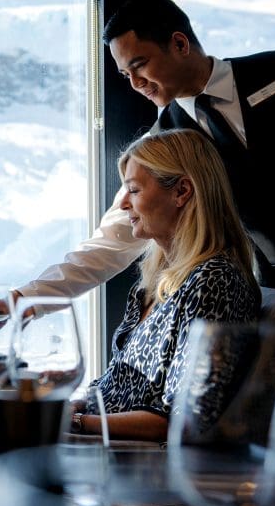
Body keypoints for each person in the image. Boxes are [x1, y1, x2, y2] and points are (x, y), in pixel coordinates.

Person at [0, 0, 275, 359]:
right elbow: (112, 241)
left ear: (179, 44)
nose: (135, 83)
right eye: (125, 75)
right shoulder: (162, 145)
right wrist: (23, 299)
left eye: (140, 65)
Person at [72, 129, 260, 441]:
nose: (123, 205)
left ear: (182, 191)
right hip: (109, 444)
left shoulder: (215, 281)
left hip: (139, 463)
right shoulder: (158, 281)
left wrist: (77, 422)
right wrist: (71, 406)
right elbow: (117, 386)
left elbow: (182, 422)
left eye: (133, 190)